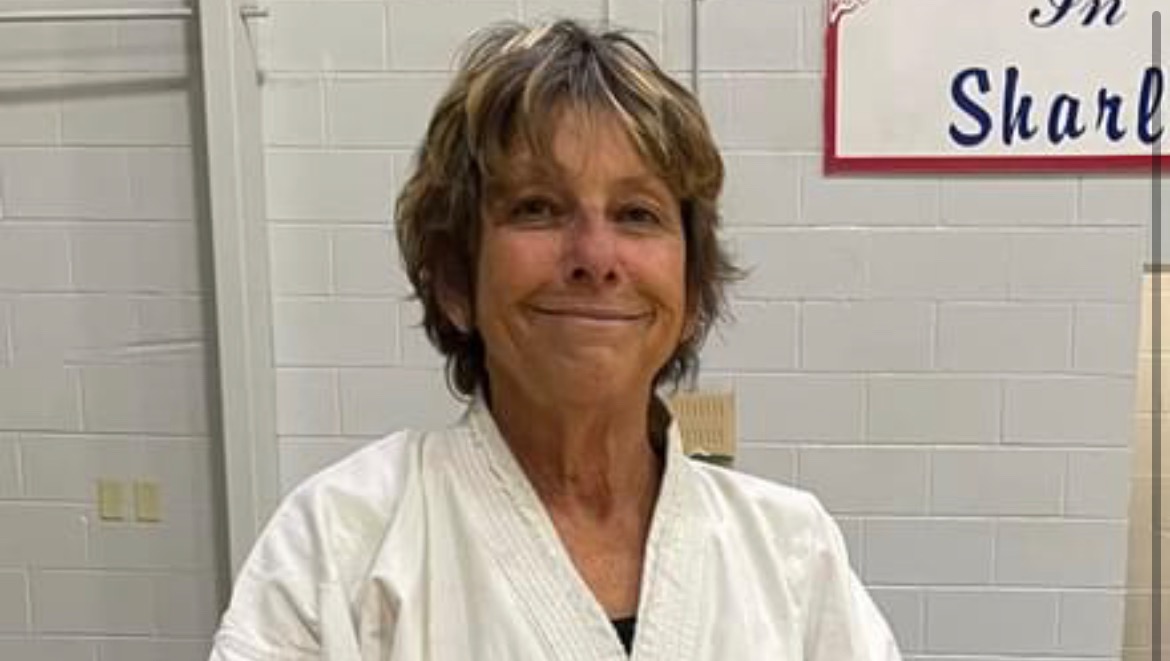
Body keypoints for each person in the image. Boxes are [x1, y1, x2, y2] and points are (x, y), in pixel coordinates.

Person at [209, 19, 902, 660]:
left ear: (690, 292)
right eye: (537, 207)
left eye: (637, 213)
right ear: (455, 280)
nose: (595, 257)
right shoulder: (341, 545)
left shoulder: (792, 554)